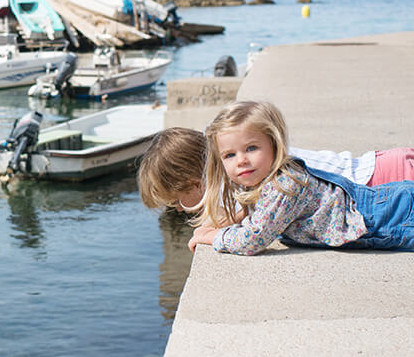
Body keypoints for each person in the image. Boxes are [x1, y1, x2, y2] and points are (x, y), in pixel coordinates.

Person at [186, 100, 414, 255]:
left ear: (275, 145)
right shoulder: (264, 181)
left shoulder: (284, 184)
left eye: (252, 148)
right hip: (386, 211)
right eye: (229, 155)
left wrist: (214, 236)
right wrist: (233, 218)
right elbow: (259, 210)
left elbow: (252, 240)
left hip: (393, 216)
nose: (241, 160)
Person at [138, 126, 414, 218]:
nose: (179, 209)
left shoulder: (239, 182)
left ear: (195, 183)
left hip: (380, 180)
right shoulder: (245, 161)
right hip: (381, 166)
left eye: (176, 201)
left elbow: (237, 224)